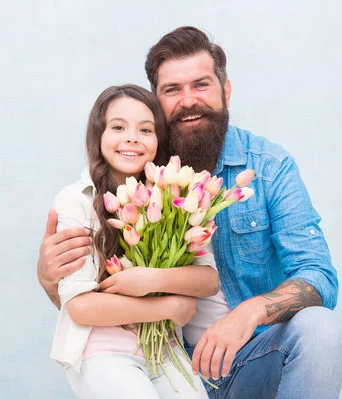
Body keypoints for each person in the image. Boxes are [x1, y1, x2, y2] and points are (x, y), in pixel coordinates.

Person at [39, 28, 342, 399]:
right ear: (156, 101)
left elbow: (318, 276)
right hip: (162, 360)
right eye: (172, 90)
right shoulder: (135, 178)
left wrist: (248, 313)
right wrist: (50, 283)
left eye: (201, 85)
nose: (188, 101)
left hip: (251, 357)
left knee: (322, 329)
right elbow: (90, 298)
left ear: (226, 91)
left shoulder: (269, 167)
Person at [50, 83, 219, 399]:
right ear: (98, 135)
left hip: (166, 352)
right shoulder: (76, 200)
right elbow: (81, 307)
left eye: (145, 129)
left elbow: (208, 280)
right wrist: (170, 305)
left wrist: (150, 279)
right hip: (103, 352)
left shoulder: (176, 200)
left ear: (159, 140)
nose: (131, 138)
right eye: (118, 127)